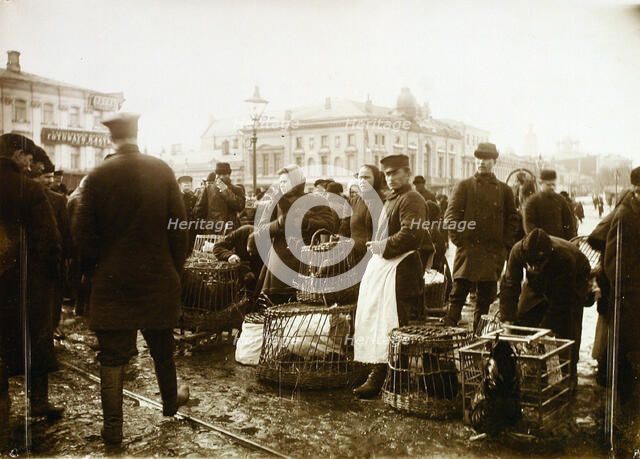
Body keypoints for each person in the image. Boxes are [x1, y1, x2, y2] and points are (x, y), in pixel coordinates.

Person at [73, 113, 190, 446]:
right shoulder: (162, 170)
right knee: (162, 349)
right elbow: (180, 229)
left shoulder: (96, 176)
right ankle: (169, 404)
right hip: (157, 279)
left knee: (111, 359)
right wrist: (173, 269)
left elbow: (83, 237)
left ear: (112, 139)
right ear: (137, 134)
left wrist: (98, 271)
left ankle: (113, 430)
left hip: (112, 283)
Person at [1, 134, 64, 452]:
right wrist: (51, 284)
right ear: (16, 156)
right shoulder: (30, 189)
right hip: (27, 288)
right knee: (35, 345)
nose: (30, 163)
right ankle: (38, 403)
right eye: (27, 157)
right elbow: (50, 243)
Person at [353, 154, 429, 399]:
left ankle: (394, 375)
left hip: (403, 270)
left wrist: (382, 246)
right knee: (379, 319)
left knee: (395, 321)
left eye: (396, 173)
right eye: (387, 174)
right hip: (387, 267)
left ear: (407, 173)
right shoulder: (391, 199)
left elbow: (411, 235)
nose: (392, 178)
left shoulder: (412, 199)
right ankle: (385, 371)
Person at [499, 228, 590, 386]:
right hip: (538, 282)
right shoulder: (517, 252)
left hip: (576, 275)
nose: (534, 268)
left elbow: (560, 303)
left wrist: (545, 331)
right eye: (531, 265)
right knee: (524, 315)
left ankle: (566, 375)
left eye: (539, 264)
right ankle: (531, 370)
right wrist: (507, 320)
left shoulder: (564, 258)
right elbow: (509, 286)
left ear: (548, 256)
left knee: (566, 326)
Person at [444, 143, 519, 332]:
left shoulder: (504, 190)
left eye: (486, 158)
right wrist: (460, 241)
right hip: (467, 253)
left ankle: (479, 342)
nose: (481, 162)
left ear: (494, 161)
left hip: (492, 254)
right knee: (457, 295)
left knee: (485, 300)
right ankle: (444, 341)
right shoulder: (465, 186)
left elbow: (513, 220)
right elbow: (450, 217)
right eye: (478, 158)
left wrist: (504, 245)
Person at [253, 165, 335, 305]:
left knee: (305, 304)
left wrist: (306, 221)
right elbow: (259, 231)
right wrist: (279, 223)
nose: (281, 186)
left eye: (284, 182)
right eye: (280, 182)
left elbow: (329, 224)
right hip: (279, 262)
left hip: (306, 261)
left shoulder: (314, 200)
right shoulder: (276, 202)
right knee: (276, 304)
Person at [602, 167, 640, 430]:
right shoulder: (625, 215)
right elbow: (613, 259)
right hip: (628, 293)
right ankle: (622, 397)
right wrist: (625, 288)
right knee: (625, 343)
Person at [29, 148, 73, 333]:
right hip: (35, 256)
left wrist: (68, 254)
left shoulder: (58, 200)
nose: (48, 181)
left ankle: (53, 327)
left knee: (55, 295)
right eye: (44, 176)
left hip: (55, 256)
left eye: (50, 177)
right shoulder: (28, 197)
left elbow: (65, 229)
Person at [339, 164, 386, 265]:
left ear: (376, 179)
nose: (363, 181)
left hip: (379, 258)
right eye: (360, 177)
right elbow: (344, 229)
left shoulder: (385, 201)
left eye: (367, 177)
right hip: (355, 258)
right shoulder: (352, 202)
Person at [193, 163, 245, 235]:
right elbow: (198, 211)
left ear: (229, 175)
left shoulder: (237, 189)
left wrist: (226, 191)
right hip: (212, 231)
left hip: (231, 230)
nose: (220, 177)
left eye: (223, 174)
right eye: (218, 174)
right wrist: (206, 226)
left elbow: (240, 206)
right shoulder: (208, 189)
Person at [523, 169, 576, 240]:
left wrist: (571, 241)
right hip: (541, 244)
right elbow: (529, 226)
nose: (552, 187)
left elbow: (569, 223)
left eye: (553, 184)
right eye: (548, 185)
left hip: (560, 243)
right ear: (540, 183)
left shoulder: (561, 200)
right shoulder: (532, 201)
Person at [212, 224, 263, 293]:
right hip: (235, 273)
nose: (250, 254)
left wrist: (254, 274)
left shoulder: (268, 246)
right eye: (249, 251)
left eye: (254, 253)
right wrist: (230, 256)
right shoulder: (241, 232)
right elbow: (217, 247)